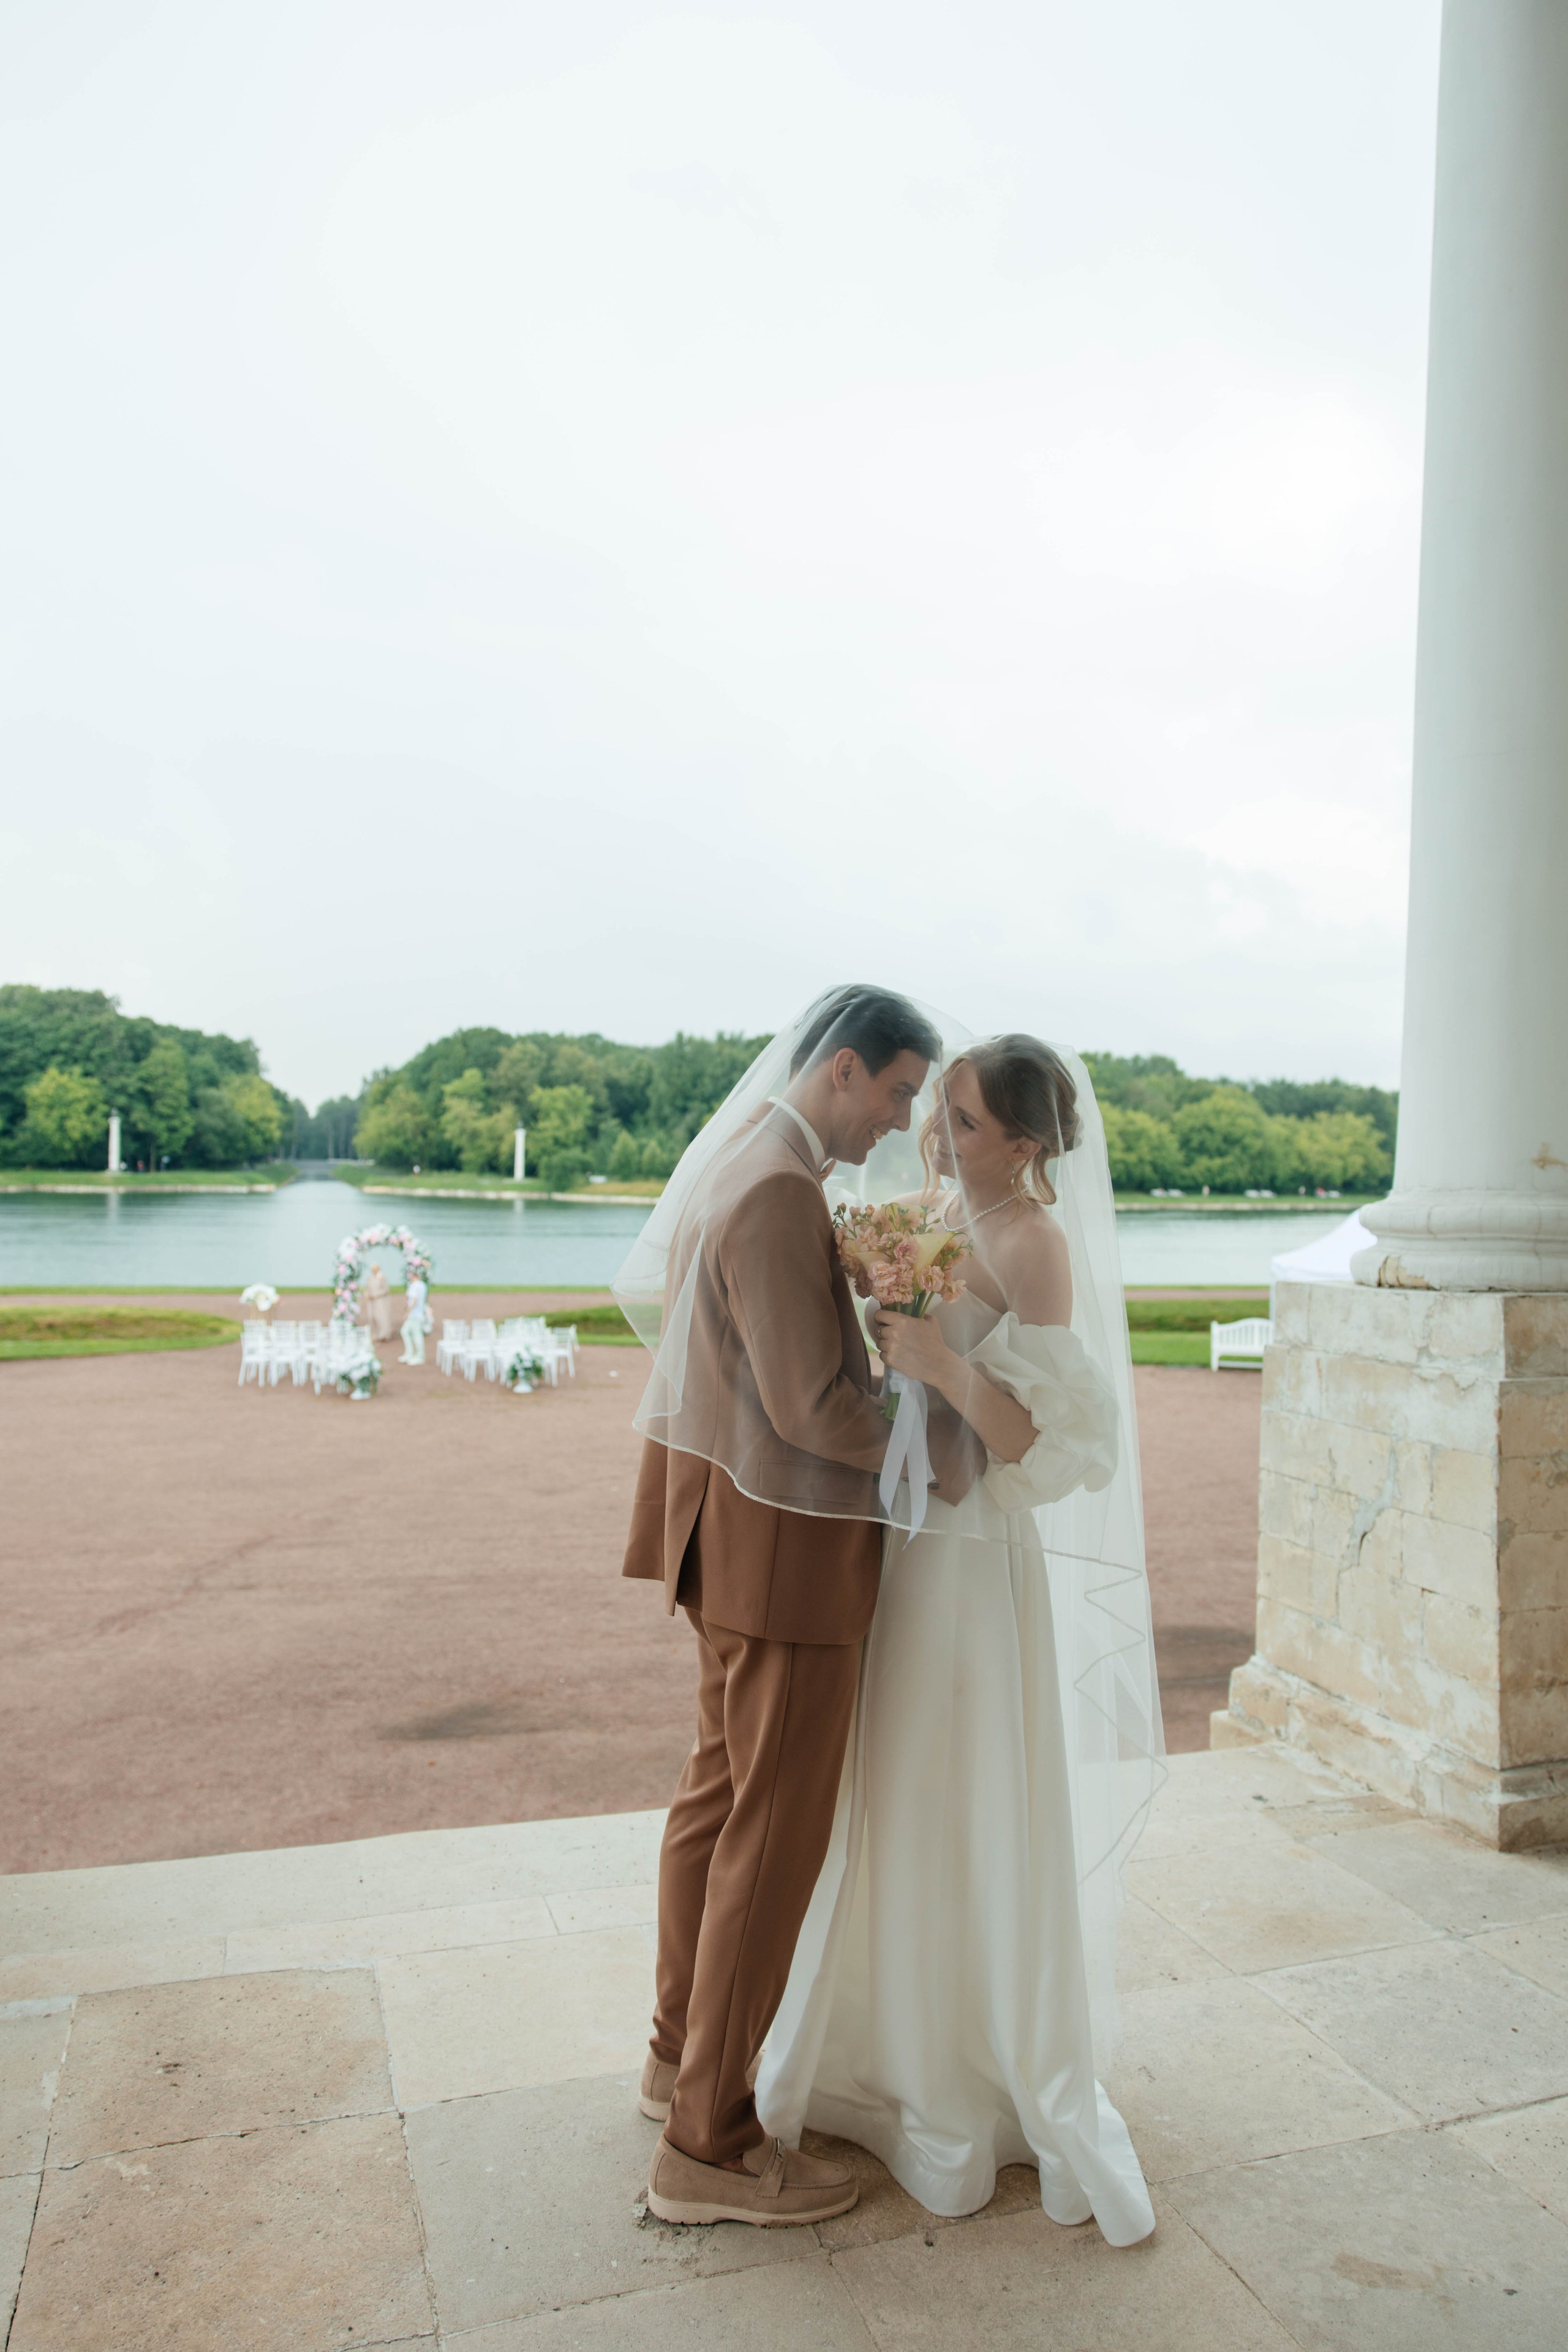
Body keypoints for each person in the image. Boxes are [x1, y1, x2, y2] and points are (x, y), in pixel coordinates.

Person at [753, 1035, 1161, 2245]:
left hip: (979, 1560)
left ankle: (967, 2074)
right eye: (935, 1110)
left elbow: (1051, 1440)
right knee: (893, 1785)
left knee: (969, 1791)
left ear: (1025, 1145)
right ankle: (876, 2046)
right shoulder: (926, 1211)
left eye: (965, 1121)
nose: (936, 1135)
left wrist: (932, 1358)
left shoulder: (1033, 1246)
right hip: (910, 1541)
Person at [615, 986, 984, 2230]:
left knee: (715, 1807)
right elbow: (809, 1408)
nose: (897, 1120)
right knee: (770, 1842)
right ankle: (706, 2149)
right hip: (783, 1563)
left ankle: (680, 2059)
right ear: (841, 1070)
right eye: (892, 1091)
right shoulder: (776, 1190)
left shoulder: (744, 1161)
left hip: (728, 1546)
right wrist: (946, 1433)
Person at [361, 1260, 397, 1344]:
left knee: (382, 1317)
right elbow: (367, 1288)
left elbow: (386, 1289)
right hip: (371, 1301)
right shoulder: (370, 1278)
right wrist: (367, 1294)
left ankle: (384, 1334)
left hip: (380, 1301)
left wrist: (376, 1295)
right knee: (372, 1317)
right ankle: (375, 1334)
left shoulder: (382, 1277)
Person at [400, 1271, 432, 1365]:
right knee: (405, 1331)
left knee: (416, 1335)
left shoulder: (415, 1286)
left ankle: (420, 1355)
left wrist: (407, 1311)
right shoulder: (423, 1285)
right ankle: (409, 1353)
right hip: (418, 1314)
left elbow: (414, 1300)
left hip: (415, 1315)